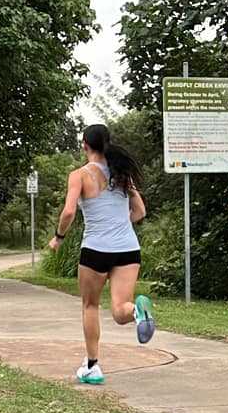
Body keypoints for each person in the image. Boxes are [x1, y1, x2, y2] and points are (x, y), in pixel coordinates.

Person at [48, 124, 155, 385]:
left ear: (85, 144)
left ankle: (92, 366)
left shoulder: (79, 175)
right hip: (128, 249)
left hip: (96, 249)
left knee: (90, 306)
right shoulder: (122, 174)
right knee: (120, 310)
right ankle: (137, 312)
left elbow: (69, 211)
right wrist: (119, 224)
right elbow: (140, 212)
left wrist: (58, 237)